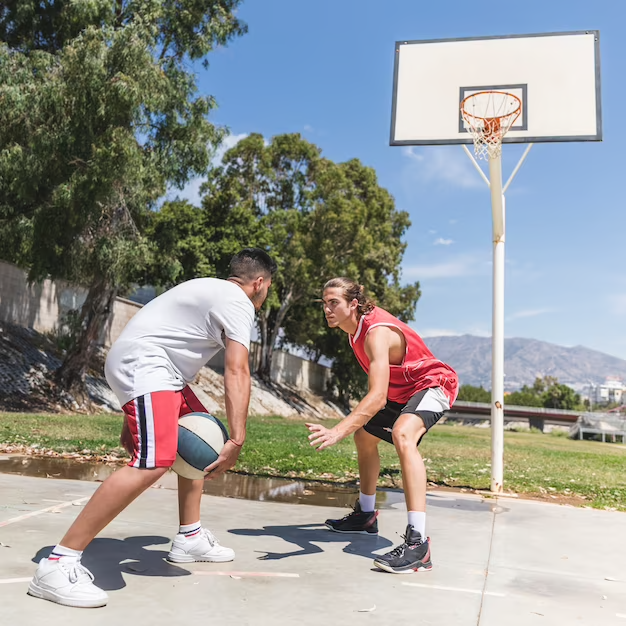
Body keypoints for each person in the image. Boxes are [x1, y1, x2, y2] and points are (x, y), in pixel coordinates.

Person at [28, 248, 276, 608]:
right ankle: (58, 563)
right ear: (259, 283)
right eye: (266, 290)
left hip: (153, 367)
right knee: (154, 461)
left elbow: (154, 330)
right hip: (147, 366)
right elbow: (237, 370)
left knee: (200, 432)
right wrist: (238, 438)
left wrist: (135, 414)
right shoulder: (239, 302)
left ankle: (189, 536)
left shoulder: (209, 288)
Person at [307, 277, 458, 574]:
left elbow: (376, 397)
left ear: (353, 304)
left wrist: (338, 430)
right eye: (324, 303)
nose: (327, 309)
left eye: (333, 302)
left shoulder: (375, 333)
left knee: (404, 434)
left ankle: (418, 545)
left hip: (434, 385)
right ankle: (365, 515)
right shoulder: (354, 333)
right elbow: (380, 390)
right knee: (364, 437)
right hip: (403, 394)